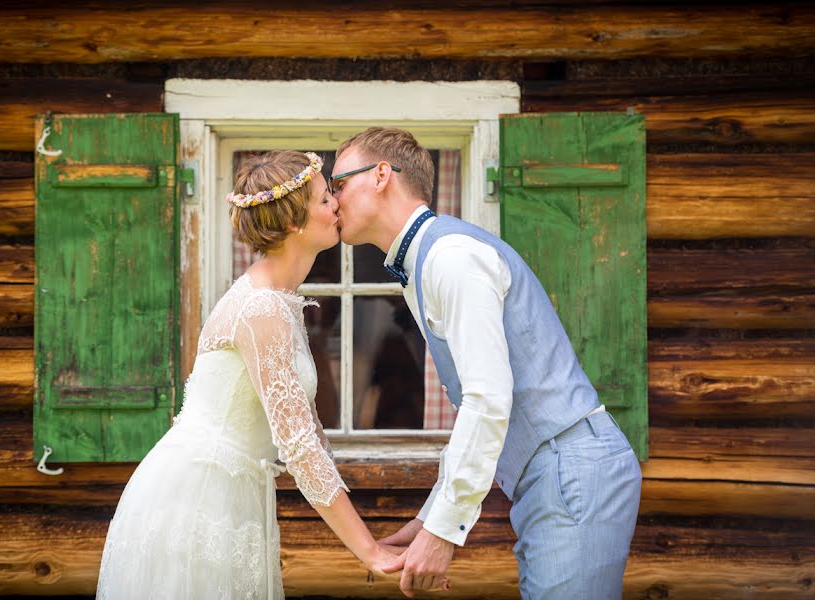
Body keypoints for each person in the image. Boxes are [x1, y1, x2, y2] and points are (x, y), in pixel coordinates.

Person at [330, 128, 643, 599]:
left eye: (338, 185)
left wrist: (444, 532)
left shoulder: (450, 258)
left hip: (567, 468)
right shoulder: (428, 260)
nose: (333, 202)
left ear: (380, 176)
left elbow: (487, 397)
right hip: (553, 474)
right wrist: (429, 518)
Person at [96, 151, 403, 600]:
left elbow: (312, 434)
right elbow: (298, 447)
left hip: (235, 496)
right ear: (295, 220)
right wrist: (368, 551)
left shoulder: (281, 301)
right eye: (324, 199)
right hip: (198, 497)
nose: (337, 205)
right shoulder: (261, 308)